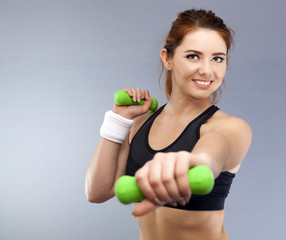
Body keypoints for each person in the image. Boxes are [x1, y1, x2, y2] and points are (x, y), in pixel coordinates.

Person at [85, 9, 252, 240]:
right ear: (167, 58)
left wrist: (194, 162)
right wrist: (118, 120)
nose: (207, 69)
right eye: (193, 56)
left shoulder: (231, 128)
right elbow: (97, 192)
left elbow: (213, 154)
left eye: (218, 58)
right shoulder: (141, 123)